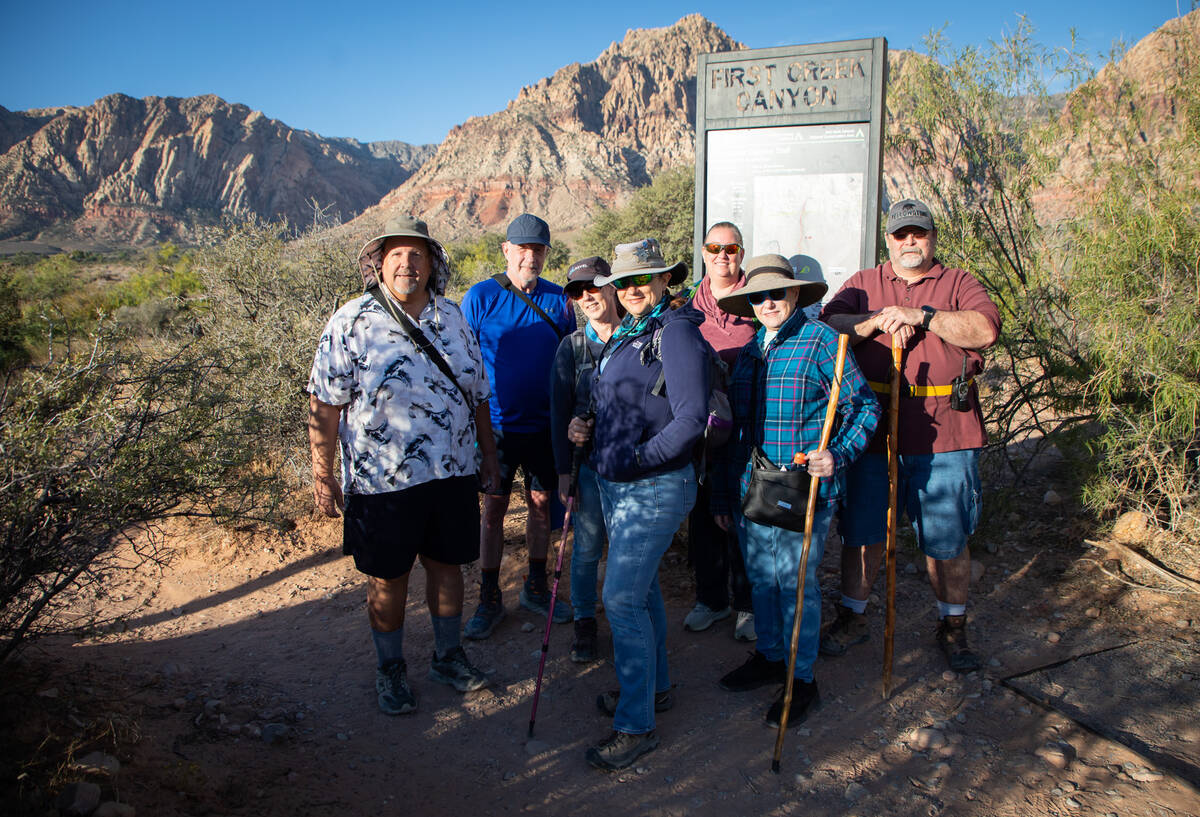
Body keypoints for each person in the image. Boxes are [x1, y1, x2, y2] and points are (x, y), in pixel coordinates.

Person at [307, 216, 500, 715]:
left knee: (448, 567)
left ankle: (447, 656)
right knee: (387, 578)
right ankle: (390, 669)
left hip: (452, 472)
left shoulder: (453, 318)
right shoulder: (350, 320)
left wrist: (489, 457)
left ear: (433, 263)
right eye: (395, 253)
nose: (407, 263)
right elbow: (324, 405)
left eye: (417, 254)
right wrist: (321, 474)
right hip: (380, 481)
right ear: (378, 264)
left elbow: (477, 393)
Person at [819, 199, 1001, 672]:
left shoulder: (958, 282)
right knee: (863, 527)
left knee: (946, 536)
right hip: (871, 429)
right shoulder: (863, 284)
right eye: (901, 235)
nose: (910, 242)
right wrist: (877, 320)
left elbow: (983, 330)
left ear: (933, 237)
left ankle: (953, 626)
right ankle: (853, 616)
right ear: (889, 240)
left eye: (918, 233)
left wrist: (920, 315)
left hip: (946, 433)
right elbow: (829, 327)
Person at [711, 254, 880, 727]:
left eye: (776, 294)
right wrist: (725, 495)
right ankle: (770, 657)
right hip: (752, 488)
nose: (767, 303)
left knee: (796, 585)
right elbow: (737, 431)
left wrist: (838, 455)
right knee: (762, 581)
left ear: (794, 296)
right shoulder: (748, 352)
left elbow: (864, 408)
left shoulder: (822, 341)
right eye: (758, 296)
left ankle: (801, 679)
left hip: (802, 490)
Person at [567, 238, 709, 771]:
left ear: (662, 280)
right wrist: (588, 427)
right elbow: (627, 404)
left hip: (653, 486)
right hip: (621, 485)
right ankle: (657, 688)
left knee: (621, 600)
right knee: (643, 593)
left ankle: (635, 724)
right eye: (621, 282)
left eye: (640, 280)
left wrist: (637, 458)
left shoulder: (675, 333)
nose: (629, 290)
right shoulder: (631, 334)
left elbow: (691, 419)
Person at [460, 214, 576, 639]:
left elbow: (572, 359)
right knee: (492, 510)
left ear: (547, 253)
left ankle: (536, 585)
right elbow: (463, 364)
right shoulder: (480, 297)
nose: (531, 256)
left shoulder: (559, 299)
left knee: (542, 506)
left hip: (546, 428)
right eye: (523, 248)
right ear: (506, 250)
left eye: (539, 249)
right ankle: (489, 596)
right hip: (495, 430)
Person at [682, 222, 759, 640]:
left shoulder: (757, 300)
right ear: (704, 252)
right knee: (705, 513)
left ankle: (747, 603)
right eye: (714, 247)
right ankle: (711, 599)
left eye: (731, 248)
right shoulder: (688, 306)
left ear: (741, 254)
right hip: (704, 432)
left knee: (744, 512)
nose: (722, 255)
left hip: (748, 428)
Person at [548, 257, 623, 663]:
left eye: (593, 286)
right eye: (577, 292)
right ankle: (584, 624)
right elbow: (559, 412)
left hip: (631, 467)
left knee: (628, 549)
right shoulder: (571, 347)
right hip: (588, 467)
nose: (586, 297)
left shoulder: (638, 337)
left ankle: (628, 623)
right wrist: (564, 472)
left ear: (612, 287)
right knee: (587, 547)